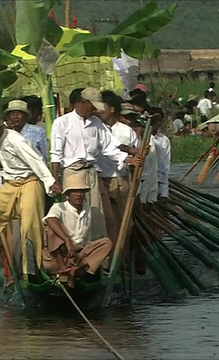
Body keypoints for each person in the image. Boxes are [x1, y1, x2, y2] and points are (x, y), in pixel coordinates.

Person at [0, 109, 62, 278]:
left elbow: (35, 160)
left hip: (29, 182)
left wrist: (50, 181)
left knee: (29, 225)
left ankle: (31, 269)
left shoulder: (15, 139)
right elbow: (7, 164)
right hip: (11, 184)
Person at [50, 87, 141, 239]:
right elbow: (56, 153)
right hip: (73, 172)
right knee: (76, 216)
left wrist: (130, 157)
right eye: (92, 107)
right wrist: (54, 179)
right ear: (82, 102)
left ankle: (103, 255)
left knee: (102, 218)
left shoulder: (96, 123)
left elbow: (110, 147)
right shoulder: (62, 122)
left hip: (92, 172)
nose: (94, 110)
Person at [42, 175, 112, 287]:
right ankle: (62, 268)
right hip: (57, 257)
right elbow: (50, 220)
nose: (79, 195)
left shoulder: (88, 209)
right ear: (68, 194)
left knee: (106, 242)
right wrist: (67, 241)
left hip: (78, 257)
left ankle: (74, 270)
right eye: (75, 192)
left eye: (81, 192)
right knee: (52, 227)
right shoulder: (59, 207)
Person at [98, 90, 140, 244]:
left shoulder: (126, 131)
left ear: (111, 109)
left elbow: (137, 158)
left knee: (125, 225)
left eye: (102, 107)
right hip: (101, 180)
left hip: (121, 180)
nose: (98, 111)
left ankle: (123, 260)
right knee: (107, 224)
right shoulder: (95, 128)